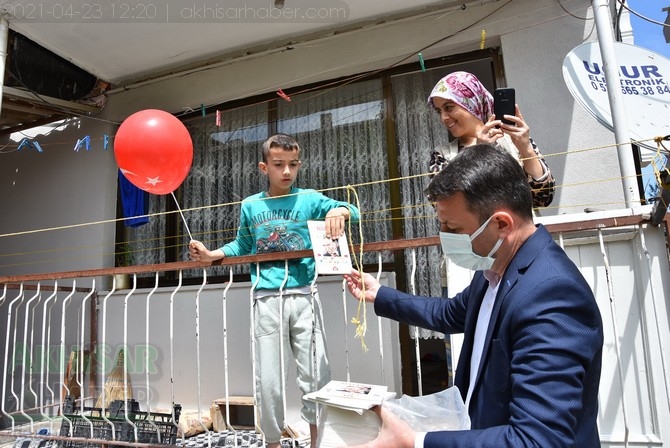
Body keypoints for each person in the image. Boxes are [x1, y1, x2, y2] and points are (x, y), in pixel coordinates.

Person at [343, 144, 603, 447]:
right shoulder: (496, 270)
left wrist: (416, 441)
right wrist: (380, 294)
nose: (445, 237)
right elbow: (450, 313)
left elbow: (537, 439)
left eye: (453, 227)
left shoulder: (552, 296)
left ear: (501, 224)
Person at [189, 133, 360, 448]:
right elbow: (244, 243)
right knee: (268, 378)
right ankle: (271, 441)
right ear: (263, 167)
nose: (286, 172)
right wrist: (213, 255)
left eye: (293, 165)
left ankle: (317, 441)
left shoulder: (309, 199)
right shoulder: (251, 205)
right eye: (278, 164)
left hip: (305, 295)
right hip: (266, 298)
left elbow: (352, 209)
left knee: (316, 374)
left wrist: (340, 212)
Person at [428, 71, 555, 208]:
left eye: (449, 107)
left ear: (472, 103)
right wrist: (479, 154)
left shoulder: (514, 141)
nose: (443, 118)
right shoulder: (442, 154)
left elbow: (543, 199)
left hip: (519, 229)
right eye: (439, 111)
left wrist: (526, 150)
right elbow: (443, 206)